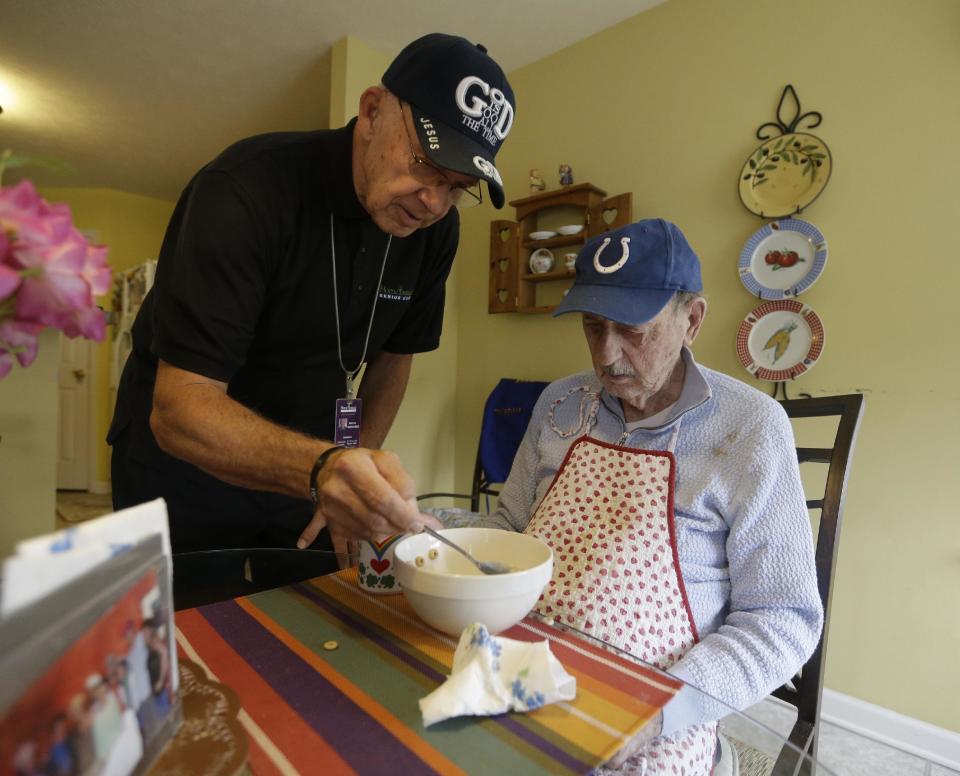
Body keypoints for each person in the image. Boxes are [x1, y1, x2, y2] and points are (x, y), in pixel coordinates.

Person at [108, 34, 516, 557]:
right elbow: (178, 409)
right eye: (426, 165)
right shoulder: (244, 189)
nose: (434, 202)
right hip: (184, 466)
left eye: (459, 186)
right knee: (187, 631)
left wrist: (356, 467)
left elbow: (395, 358)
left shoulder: (437, 230)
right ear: (372, 113)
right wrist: (326, 467)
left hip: (308, 465)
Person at [470, 219, 823, 774]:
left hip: (660, 713)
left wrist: (657, 709)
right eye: (592, 327)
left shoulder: (751, 426)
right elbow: (508, 529)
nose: (606, 355)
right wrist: (436, 539)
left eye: (631, 329)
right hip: (522, 673)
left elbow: (782, 617)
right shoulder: (560, 403)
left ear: (693, 320)